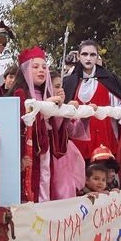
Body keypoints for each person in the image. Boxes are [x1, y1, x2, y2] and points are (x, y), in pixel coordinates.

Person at [8, 46, 70, 203]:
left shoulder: (47, 94)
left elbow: (54, 127)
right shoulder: (20, 94)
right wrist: (45, 105)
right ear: (25, 70)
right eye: (35, 67)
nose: (41, 70)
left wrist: (58, 107)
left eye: (44, 67)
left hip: (44, 150)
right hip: (28, 150)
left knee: (44, 184)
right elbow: (24, 120)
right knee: (30, 186)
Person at [63, 40, 121, 163]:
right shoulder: (69, 82)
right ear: (78, 56)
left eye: (93, 55)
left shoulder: (108, 79)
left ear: (97, 56)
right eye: (84, 54)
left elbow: (120, 107)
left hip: (103, 140)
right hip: (76, 144)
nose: (88, 58)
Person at [48, 69, 87, 199]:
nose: (61, 90)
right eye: (57, 86)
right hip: (51, 157)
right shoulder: (44, 108)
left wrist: (86, 115)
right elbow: (56, 127)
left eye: (62, 87)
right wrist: (66, 111)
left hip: (66, 156)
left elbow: (75, 132)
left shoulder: (64, 108)